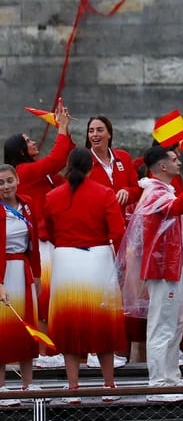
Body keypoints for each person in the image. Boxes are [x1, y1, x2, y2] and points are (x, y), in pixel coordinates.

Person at [119, 146, 183, 401]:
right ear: (161, 167)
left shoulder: (164, 191)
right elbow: (177, 208)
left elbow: (182, 207)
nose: (179, 162)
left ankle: (171, 377)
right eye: (174, 159)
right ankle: (159, 382)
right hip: (163, 268)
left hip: (173, 266)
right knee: (162, 325)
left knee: (174, 324)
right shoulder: (154, 192)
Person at [43, 149, 125, 402]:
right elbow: (118, 230)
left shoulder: (52, 196)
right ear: (91, 166)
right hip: (98, 257)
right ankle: (109, 386)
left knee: (70, 322)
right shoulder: (104, 193)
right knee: (103, 321)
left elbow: (49, 230)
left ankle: (73, 388)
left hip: (66, 259)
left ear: (68, 166)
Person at [5, 100, 72, 368]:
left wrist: (65, 129)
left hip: (54, 240)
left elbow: (64, 161)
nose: (34, 142)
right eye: (29, 141)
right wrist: (62, 128)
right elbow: (57, 158)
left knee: (55, 297)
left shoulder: (41, 174)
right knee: (42, 299)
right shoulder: (22, 172)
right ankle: (44, 350)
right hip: (39, 244)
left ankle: (51, 345)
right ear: (20, 151)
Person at [0, 164, 42, 398]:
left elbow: (33, 245)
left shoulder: (26, 205)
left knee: (28, 327)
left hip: (22, 270)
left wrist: (37, 274)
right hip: (2, 272)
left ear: (17, 180)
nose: (6, 186)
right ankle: (1, 387)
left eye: (9, 180)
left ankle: (28, 383)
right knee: (2, 330)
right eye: (0, 182)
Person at [85, 116, 140, 212]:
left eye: (100, 130)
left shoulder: (124, 157)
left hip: (122, 221)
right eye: (91, 131)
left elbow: (137, 189)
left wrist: (127, 191)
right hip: (95, 221)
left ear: (109, 134)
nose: (95, 134)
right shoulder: (83, 161)